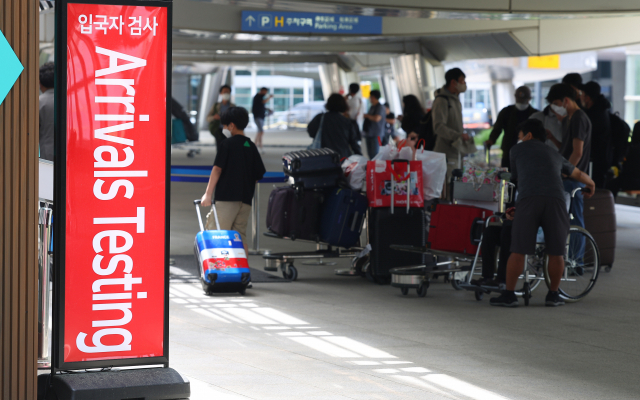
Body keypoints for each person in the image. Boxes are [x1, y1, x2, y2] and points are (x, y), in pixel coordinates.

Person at [490, 119, 595, 307]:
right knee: (556, 252)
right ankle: (553, 295)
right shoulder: (554, 154)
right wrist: (591, 183)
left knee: (519, 249)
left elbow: (515, 177)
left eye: (520, 135)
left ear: (528, 135)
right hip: (556, 201)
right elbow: (577, 174)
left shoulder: (516, 150)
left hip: (529, 199)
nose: (518, 139)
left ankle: (510, 295)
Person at [200, 107, 266, 254]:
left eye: (225, 125)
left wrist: (208, 194)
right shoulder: (251, 146)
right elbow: (258, 174)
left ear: (231, 125)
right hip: (246, 200)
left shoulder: (227, 144)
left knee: (216, 232)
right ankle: (242, 273)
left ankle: (218, 271)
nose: (224, 128)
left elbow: (217, 169)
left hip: (227, 198)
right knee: (240, 237)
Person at [547, 83, 592, 234]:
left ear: (566, 100)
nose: (555, 107)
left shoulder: (579, 118)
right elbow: (567, 147)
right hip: (568, 177)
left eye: (556, 103)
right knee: (568, 220)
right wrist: (553, 139)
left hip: (572, 179)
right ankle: (572, 256)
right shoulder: (569, 119)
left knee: (575, 221)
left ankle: (577, 258)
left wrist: (566, 173)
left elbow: (577, 152)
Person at [432, 68, 467, 195]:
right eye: (462, 81)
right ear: (453, 82)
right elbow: (438, 126)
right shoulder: (442, 100)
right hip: (445, 153)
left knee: (455, 189)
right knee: (447, 190)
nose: (464, 84)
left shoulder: (455, 99)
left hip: (456, 151)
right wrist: (458, 135)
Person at [485, 86, 538, 169]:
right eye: (519, 98)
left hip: (529, 153)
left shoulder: (535, 114)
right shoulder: (506, 112)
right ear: (515, 97)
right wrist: (492, 140)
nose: (520, 101)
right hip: (509, 151)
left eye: (523, 99)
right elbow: (497, 128)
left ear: (529, 98)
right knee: (507, 176)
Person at [307, 94, 362, 158]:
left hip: (323, 157)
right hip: (342, 158)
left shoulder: (320, 118)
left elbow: (311, 133)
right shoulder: (347, 122)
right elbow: (353, 143)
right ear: (343, 105)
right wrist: (360, 157)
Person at [582, 81, 613, 188]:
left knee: (594, 191)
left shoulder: (593, 114)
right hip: (602, 158)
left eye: (582, 94)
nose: (580, 97)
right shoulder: (602, 109)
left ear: (588, 97)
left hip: (596, 160)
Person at [607, 122, 640, 196]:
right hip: (635, 181)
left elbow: (626, 170)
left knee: (608, 185)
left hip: (631, 182)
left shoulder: (632, 149)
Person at [362, 90, 386, 158]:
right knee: (370, 155)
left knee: (375, 155)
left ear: (373, 97)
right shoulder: (372, 107)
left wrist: (367, 116)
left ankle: (375, 168)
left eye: (370, 97)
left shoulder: (380, 107)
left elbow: (377, 118)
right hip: (369, 133)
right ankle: (372, 167)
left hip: (376, 134)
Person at [38, 62, 55, 161]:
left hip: (46, 154)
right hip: (70, 154)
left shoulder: (38, 103)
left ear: (40, 83)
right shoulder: (71, 101)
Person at [252, 87, 273, 152]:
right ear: (262, 91)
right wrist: (269, 97)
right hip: (258, 116)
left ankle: (260, 146)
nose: (265, 93)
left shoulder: (260, 97)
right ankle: (255, 146)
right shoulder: (258, 96)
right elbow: (263, 102)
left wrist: (267, 109)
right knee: (261, 131)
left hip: (261, 116)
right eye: (265, 91)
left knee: (260, 131)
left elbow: (261, 105)